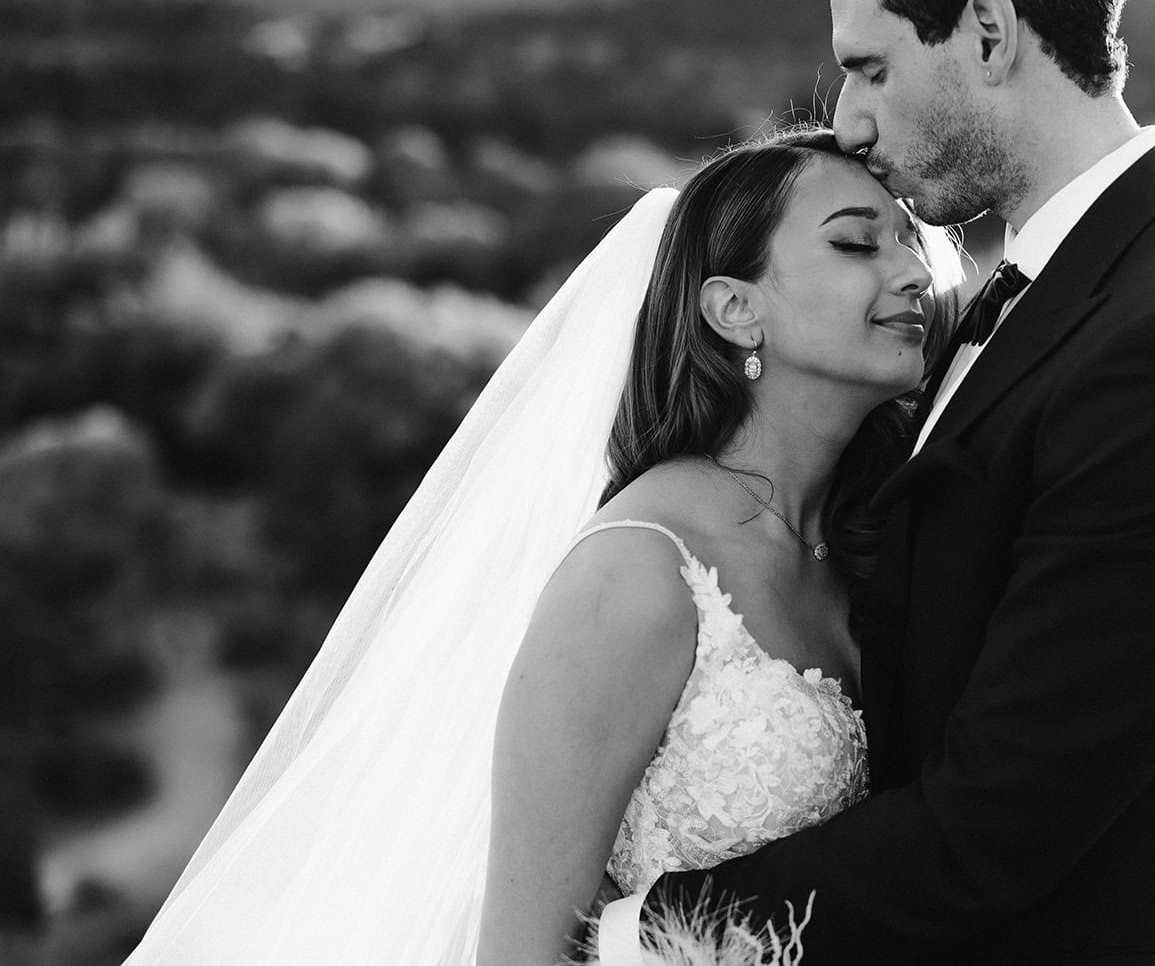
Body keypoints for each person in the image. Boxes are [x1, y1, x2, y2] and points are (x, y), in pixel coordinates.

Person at [601, 0, 1155, 963]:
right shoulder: (1060, 294)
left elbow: (994, 826)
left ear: (989, 34)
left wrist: (638, 931)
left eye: (871, 68)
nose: (850, 121)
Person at [122, 128, 961, 964]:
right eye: (857, 242)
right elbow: (520, 951)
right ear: (735, 309)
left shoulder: (873, 538)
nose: (915, 272)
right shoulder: (638, 571)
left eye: (909, 241)